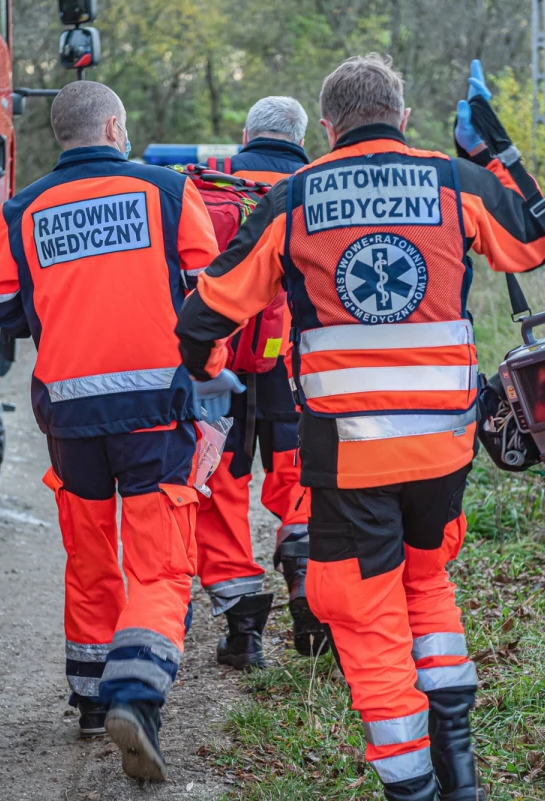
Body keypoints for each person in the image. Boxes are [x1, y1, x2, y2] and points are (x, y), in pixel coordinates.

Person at [175, 56, 545, 801]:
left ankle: (413, 787)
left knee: (363, 606)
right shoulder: (454, 182)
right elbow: (532, 246)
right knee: (427, 578)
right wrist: (496, 157)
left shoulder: (297, 196)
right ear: (403, 118)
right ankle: (462, 777)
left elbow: (208, 308)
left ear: (328, 128)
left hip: (351, 455)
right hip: (444, 446)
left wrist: (203, 362)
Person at [0, 80, 220, 783]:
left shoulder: (21, 208)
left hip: (69, 412)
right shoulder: (168, 192)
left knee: (90, 556)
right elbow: (210, 294)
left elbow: (2, 306)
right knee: (159, 564)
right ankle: (135, 694)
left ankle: (91, 699)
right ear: (115, 126)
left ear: (63, 134)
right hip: (154, 408)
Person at [191, 96, 327, 669]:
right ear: (302, 138)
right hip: (294, 369)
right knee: (301, 478)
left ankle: (244, 633)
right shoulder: (321, 196)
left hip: (220, 371)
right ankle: (304, 573)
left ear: (245, 135)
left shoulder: (202, 194)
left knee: (220, 491)